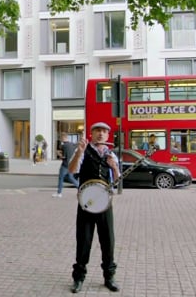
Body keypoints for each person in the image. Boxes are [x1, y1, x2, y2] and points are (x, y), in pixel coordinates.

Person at [68, 122, 120, 293]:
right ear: (91, 133)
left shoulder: (111, 154)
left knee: (108, 241)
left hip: (105, 204)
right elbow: (72, 170)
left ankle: (109, 276)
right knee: (83, 240)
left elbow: (118, 182)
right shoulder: (83, 150)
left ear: (107, 136)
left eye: (104, 131)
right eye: (98, 130)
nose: (101, 134)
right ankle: (79, 278)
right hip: (86, 203)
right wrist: (79, 153)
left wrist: (115, 168)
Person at [53, 132, 79, 198]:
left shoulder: (64, 146)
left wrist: (58, 154)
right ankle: (80, 187)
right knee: (71, 178)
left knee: (61, 178)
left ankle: (59, 193)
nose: (61, 140)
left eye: (61, 138)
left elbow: (64, 157)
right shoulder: (72, 144)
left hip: (65, 165)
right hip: (71, 164)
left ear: (63, 138)